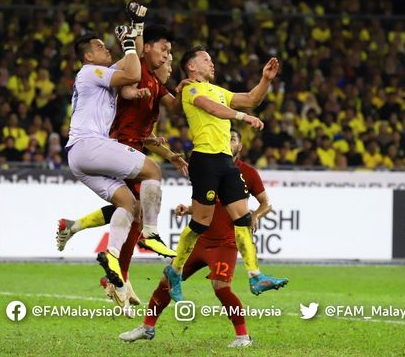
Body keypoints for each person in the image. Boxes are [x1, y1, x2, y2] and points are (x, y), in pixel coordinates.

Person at [57, 23, 188, 307]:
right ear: (88, 56)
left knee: (128, 204)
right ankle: (151, 235)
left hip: (82, 155)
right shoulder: (91, 72)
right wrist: (130, 43)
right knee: (152, 173)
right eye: (99, 47)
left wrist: (136, 28)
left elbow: (134, 62)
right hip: (95, 145)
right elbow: (133, 71)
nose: (105, 48)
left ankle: (112, 258)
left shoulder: (103, 74)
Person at [119, 129, 279, 348]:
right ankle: (147, 327)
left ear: (240, 147)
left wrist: (256, 215)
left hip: (225, 243)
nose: (228, 141)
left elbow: (265, 202)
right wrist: (190, 209)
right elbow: (208, 202)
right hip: (200, 240)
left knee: (221, 287)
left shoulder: (247, 173)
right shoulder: (210, 168)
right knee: (167, 279)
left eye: (232, 139)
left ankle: (243, 337)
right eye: (226, 137)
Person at [164, 45, 288, 302]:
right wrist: (243, 117)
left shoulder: (219, 91)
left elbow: (253, 98)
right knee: (200, 223)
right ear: (192, 67)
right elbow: (210, 108)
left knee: (242, 218)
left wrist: (265, 79)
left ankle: (255, 276)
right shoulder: (190, 88)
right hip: (205, 159)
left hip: (225, 161)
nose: (212, 63)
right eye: (206, 60)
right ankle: (174, 270)